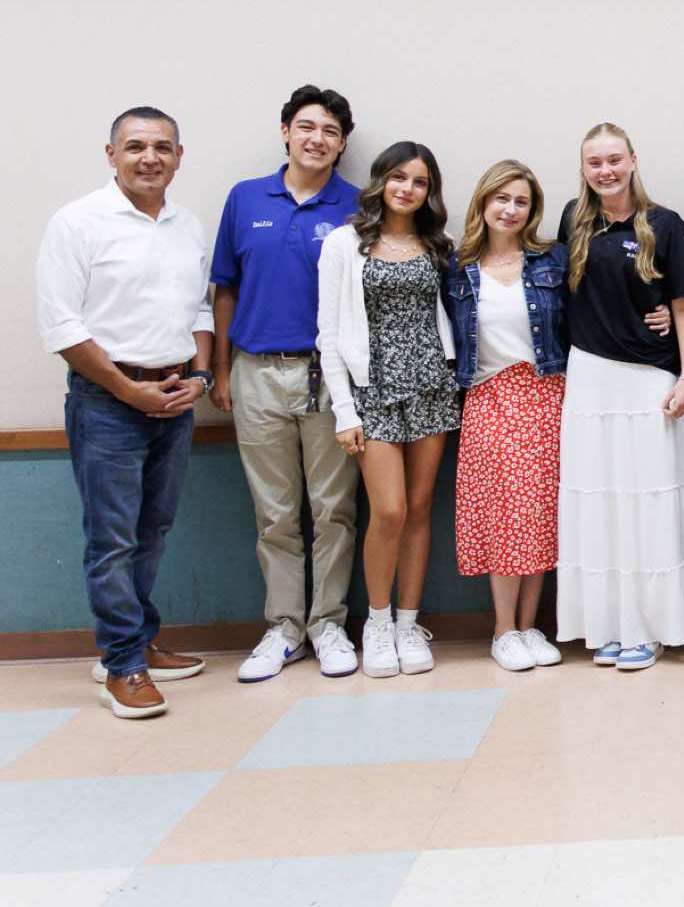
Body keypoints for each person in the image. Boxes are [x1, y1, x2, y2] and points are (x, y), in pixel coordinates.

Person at [37, 107, 213, 719]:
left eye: (162, 147)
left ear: (179, 157)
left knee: (152, 530)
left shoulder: (186, 226)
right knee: (111, 540)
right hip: (107, 403)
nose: (149, 157)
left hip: (174, 398)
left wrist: (200, 376)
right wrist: (125, 389)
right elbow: (61, 325)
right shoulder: (77, 222)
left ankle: (137, 641)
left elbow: (199, 311)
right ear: (111, 154)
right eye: (135, 146)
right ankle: (122, 664)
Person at [210, 85, 362, 683]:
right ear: (285, 132)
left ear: (342, 144)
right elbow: (225, 288)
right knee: (274, 513)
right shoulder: (246, 198)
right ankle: (284, 628)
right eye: (306, 127)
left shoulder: (357, 206)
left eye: (329, 131)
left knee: (334, 509)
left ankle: (328, 625)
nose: (316, 139)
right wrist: (221, 368)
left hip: (329, 376)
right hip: (255, 372)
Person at [556, 123, 684, 670]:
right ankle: (607, 624)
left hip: (650, 379)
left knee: (649, 502)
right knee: (600, 503)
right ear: (584, 168)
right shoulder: (573, 221)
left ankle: (649, 627)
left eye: (614, 160)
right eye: (595, 162)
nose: (606, 170)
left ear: (632, 160)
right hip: (589, 376)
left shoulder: (664, 224)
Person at [316, 141, 459, 680]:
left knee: (420, 508)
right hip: (371, 390)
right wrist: (344, 411)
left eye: (419, 182)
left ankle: (407, 623)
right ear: (381, 181)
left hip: (430, 384)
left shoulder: (436, 244)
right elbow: (329, 334)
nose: (408, 189)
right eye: (399, 177)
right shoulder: (344, 243)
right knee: (391, 511)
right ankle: (376, 624)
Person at [445, 160, 570, 674]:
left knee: (540, 513)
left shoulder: (551, 260)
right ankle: (503, 630)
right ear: (483, 202)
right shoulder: (457, 267)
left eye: (521, 201)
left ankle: (529, 625)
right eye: (502, 198)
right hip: (490, 398)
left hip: (547, 395)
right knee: (505, 514)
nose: (511, 209)